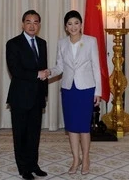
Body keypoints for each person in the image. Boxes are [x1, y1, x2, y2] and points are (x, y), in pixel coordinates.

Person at [47, 10, 101, 175]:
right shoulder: (62, 43)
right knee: (71, 126)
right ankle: (75, 159)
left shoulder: (91, 41)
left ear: (81, 24)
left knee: (84, 127)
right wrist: (48, 72)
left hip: (86, 89)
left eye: (76, 23)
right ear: (66, 27)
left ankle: (85, 159)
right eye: (69, 24)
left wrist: (98, 91)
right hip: (68, 89)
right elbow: (60, 67)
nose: (73, 26)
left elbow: (95, 67)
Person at [6, 10, 49, 180]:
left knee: (34, 134)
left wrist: (44, 94)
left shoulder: (42, 43)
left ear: (39, 25)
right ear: (22, 23)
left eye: (36, 22)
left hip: (37, 97)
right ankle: (23, 168)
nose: (32, 25)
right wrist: (37, 74)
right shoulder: (13, 43)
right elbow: (15, 70)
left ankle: (33, 164)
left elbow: (43, 69)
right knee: (20, 134)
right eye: (29, 22)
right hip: (20, 97)